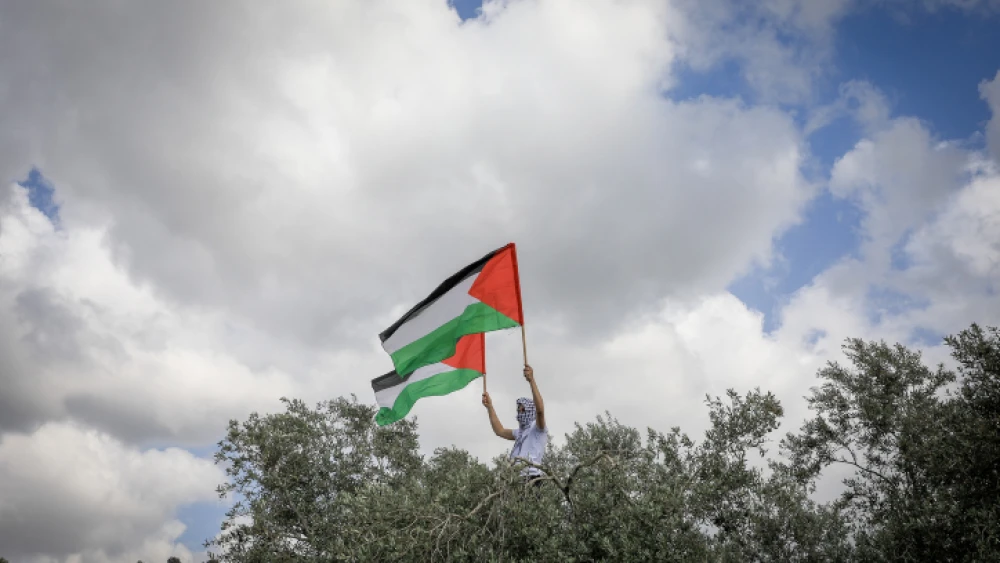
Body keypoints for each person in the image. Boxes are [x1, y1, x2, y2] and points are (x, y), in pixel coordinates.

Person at [482, 364, 548, 485]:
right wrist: (489, 407)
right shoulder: (520, 432)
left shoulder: (538, 428)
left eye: (523, 410)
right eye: (519, 410)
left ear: (530, 410)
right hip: (516, 478)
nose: (520, 412)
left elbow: (540, 410)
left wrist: (531, 380)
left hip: (532, 477)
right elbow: (499, 431)